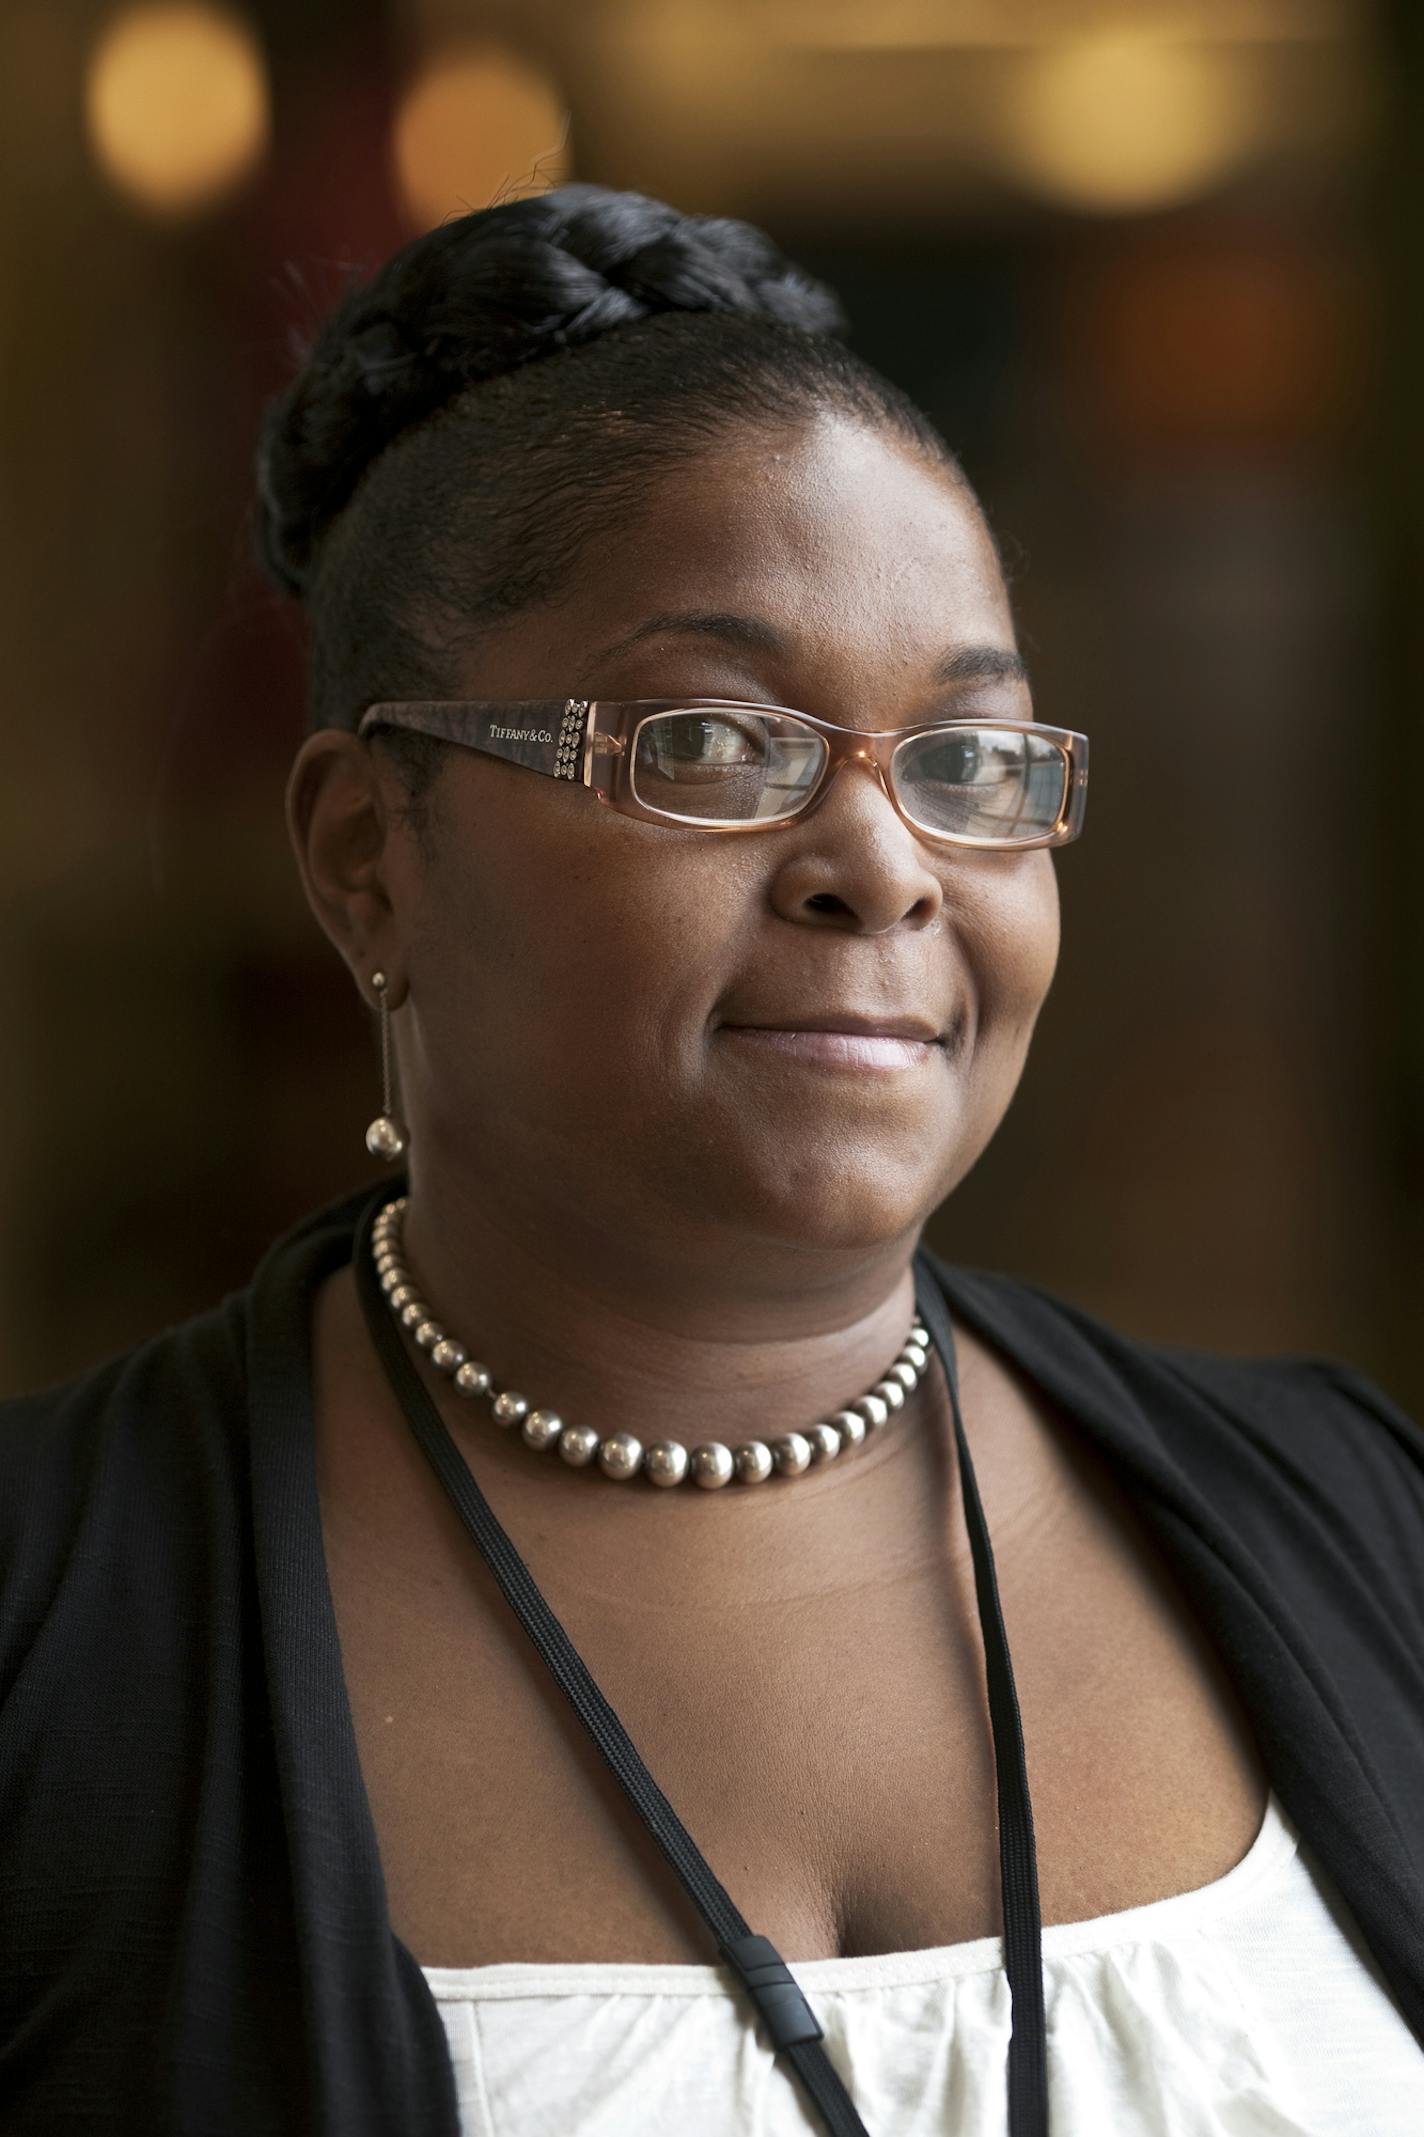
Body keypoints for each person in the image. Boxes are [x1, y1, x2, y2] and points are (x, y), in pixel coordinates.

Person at [1, 184, 1422, 2137]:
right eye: (713, 744)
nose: (887, 862)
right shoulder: (49, 1642)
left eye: (970, 762)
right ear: (364, 856)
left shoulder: (1361, 1526)